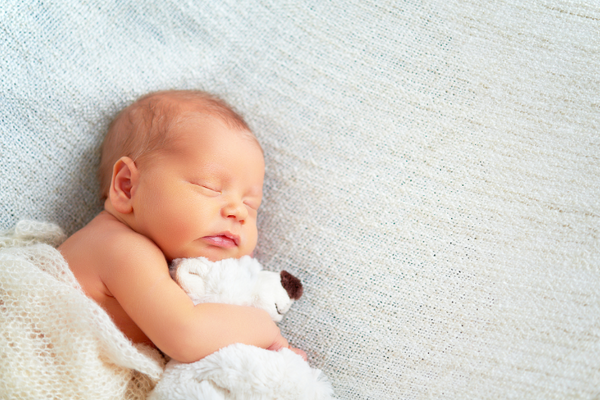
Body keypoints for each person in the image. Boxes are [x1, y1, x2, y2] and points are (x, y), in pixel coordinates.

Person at [58, 90, 305, 363]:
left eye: (250, 204)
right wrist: (266, 330)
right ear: (127, 186)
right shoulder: (119, 248)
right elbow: (186, 335)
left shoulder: (161, 267)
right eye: (209, 187)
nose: (237, 212)